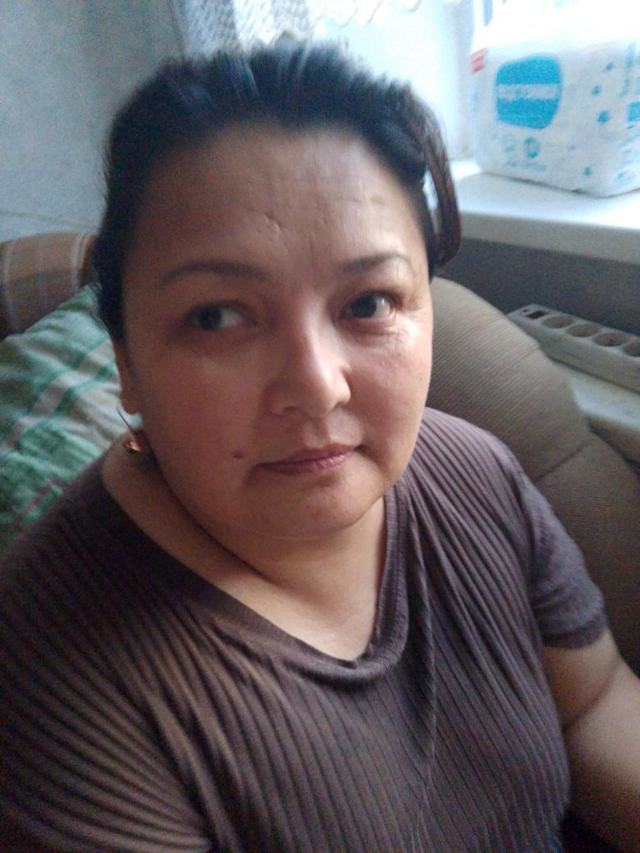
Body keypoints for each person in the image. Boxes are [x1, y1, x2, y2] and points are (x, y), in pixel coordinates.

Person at [0, 43, 639, 853]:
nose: (317, 386)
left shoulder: (477, 473)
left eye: (369, 302)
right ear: (126, 360)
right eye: (217, 316)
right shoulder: (51, 676)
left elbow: (593, 703)